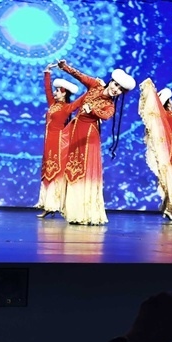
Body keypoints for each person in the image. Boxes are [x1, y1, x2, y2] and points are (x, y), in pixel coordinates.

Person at [57, 59, 136, 225]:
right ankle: (73, 211)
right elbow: (80, 76)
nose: (116, 90)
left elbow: (105, 116)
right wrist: (64, 67)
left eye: (120, 90)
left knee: (84, 171)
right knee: (72, 169)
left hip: (89, 136)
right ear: (111, 81)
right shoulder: (95, 85)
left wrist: (91, 110)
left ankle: (85, 213)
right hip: (76, 132)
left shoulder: (110, 106)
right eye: (115, 85)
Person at [35, 63, 85, 219]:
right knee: (47, 172)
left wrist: (94, 90)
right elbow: (47, 91)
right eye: (56, 90)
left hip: (58, 144)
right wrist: (47, 73)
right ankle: (47, 205)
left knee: (56, 172)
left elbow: (81, 101)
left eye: (58, 91)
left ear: (64, 93)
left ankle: (54, 205)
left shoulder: (67, 108)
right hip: (48, 142)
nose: (55, 93)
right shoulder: (53, 105)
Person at [138, 76, 172, 220]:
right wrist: (151, 90)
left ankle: (170, 207)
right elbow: (156, 106)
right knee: (169, 179)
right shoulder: (163, 116)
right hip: (171, 150)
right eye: (170, 100)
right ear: (167, 102)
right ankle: (169, 208)